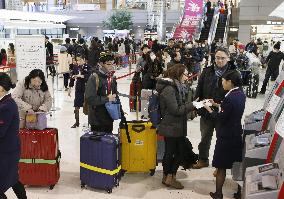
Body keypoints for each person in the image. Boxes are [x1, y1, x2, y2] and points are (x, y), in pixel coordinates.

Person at [203, 70, 246, 199]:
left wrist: (208, 108)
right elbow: (229, 110)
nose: (222, 83)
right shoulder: (240, 94)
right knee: (235, 164)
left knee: (221, 166)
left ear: (230, 82)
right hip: (236, 132)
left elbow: (220, 118)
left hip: (226, 136)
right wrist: (216, 104)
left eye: (223, 81)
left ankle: (218, 194)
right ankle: (239, 192)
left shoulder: (230, 97)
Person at [193, 47, 236, 169]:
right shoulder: (207, 71)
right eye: (217, 58)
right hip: (206, 110)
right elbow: (199, 89)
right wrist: (197, 107)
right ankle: (203, 159)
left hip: (223, 112)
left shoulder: (233, 73)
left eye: (223, 58)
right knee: (204, 137)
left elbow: (237, 92)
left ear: (228, 58)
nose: (220, 60)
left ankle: (220, 165)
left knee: (222, 139)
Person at [156, 64, 196, 189]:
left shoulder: (176, 86)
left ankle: (167, 177)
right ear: (178, 74)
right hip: (171, 125)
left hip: (175, 125)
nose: (187, 77)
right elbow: (175, 110)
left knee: (172, 151)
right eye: (185, 74)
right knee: (175, 152)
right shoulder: (170, 89)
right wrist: (193, 105)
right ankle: (170, 177)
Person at [0, 73, 27, 199]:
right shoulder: (5, 102)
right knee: (14, 180)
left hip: (6, 152)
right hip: (10, 149)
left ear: (1, 88)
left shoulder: (6, 106)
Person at [85, 52, 117, 133]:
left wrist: (120, 111)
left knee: (108, 143)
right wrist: (107, 99)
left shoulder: (111, 77)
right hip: (97, 120)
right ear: (101, 64)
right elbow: (90, 99)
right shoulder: (94, 77)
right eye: (109, 64)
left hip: (109, 117)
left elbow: (115, 94)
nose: (111, 66)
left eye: (113, 63)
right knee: (99, 144)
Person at [68, 54, 92, 128]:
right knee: (76, 106)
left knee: (88, 106)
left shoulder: (88, 67)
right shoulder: (75, 67)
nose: (78, 62)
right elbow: (72, 78)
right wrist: (69, 88)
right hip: (78, 88)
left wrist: (81, 76)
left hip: (86, 89)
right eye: (77, 60)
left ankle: (90, 123)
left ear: (84, 59)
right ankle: (77, 122)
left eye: (80, 60)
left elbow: (90, 76)